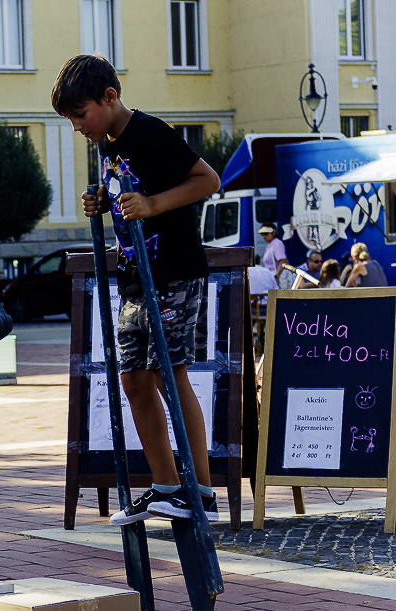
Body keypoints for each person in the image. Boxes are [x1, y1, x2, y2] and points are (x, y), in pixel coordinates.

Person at [51, 54, 221, 525]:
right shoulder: (107, 144)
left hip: (173, 272)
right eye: (69, 119)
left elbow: (207, 179)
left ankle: (201, 490)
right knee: (133, 380)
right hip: (135, 279)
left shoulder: (149, 132)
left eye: (80, 115)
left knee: (170, 374)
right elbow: (129, 192)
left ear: (110, 97)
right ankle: (166, 485)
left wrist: (152, 204)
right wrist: (103, 201)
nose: (76, 127)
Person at [258, 224, 288, 289]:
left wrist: (276, 276)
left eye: (266, 234)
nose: (264, 236)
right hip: (270, 277)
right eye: (262, 234)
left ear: (273, 233)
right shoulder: (270, 245)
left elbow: (283, 261)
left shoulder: (277, 243)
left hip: (276, 277)